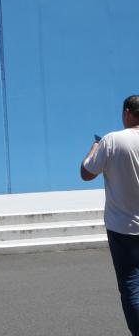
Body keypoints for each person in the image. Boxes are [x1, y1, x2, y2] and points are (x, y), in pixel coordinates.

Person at [81, 95, 139, 335]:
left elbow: (86, 172)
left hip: (122, 227)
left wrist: (93, 149)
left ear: (127, 113)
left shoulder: (111, 140)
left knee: (132, 286)